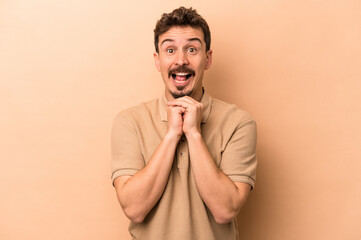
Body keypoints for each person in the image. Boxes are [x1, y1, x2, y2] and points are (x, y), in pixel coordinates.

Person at [111, 6, 257, 240]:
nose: (181, 60)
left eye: (192, 49)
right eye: (170, 50)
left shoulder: (239, 123)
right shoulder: (129, 121)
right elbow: (134, 209)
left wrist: (193, 133)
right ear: (158, 61)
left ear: (207, 58)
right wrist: (171, 135)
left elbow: (225, 210)